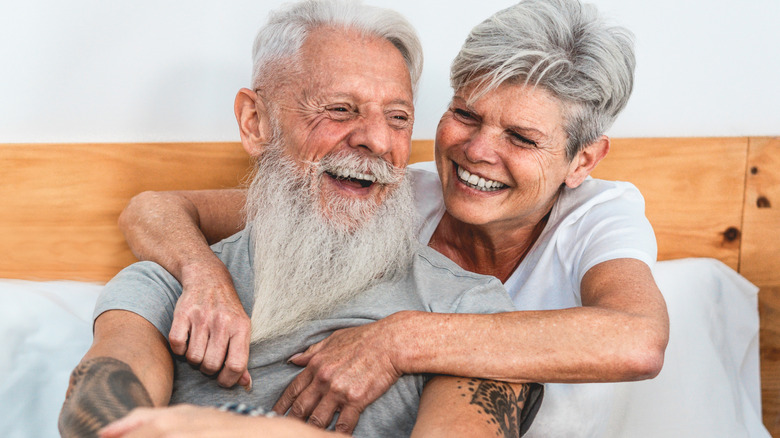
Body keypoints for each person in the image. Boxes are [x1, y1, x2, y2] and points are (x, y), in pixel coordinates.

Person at [119, 0, 670, 434]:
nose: (477, 151)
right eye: (465, 115)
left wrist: (395, 340)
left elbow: (639, 340)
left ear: (583, 160)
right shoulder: (380, 193)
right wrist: (204, 275)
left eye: (522, 138)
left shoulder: (599, 214)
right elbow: (158, 208)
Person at [58, 1, 542, 437]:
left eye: (398, 117)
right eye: (340, 109)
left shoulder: (468, 308)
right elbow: (94, 407)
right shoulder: (164, 285)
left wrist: (234, 431)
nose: (376, 140)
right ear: (256, 122)